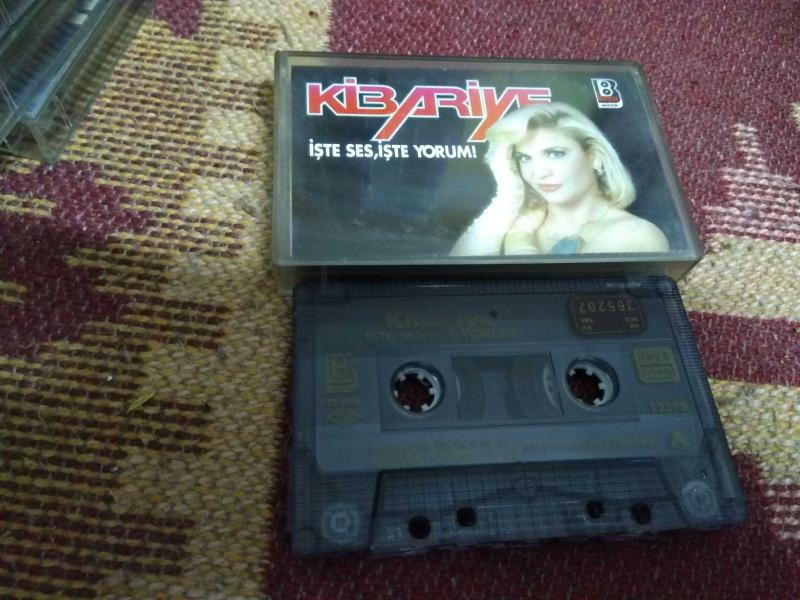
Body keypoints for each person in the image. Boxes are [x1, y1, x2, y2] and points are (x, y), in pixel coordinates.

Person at [449, 102, 669, 256]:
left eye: (555, 154)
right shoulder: (509, 223)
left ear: (593, 156)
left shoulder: (637, 234)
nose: (539, 173)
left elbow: (548, 300)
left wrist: (520, 240)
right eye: (525, 158)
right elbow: (453, 281)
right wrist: (507, 196)